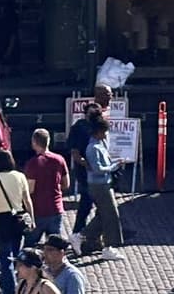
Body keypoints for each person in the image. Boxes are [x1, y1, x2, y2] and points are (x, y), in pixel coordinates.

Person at [66, 86, 115, 249]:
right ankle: (80, 235)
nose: (110, 97)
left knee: (96, 207)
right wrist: (90, 166)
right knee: (88, 205)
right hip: (88, 175)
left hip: (101, 174)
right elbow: (75, 152)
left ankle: (90, 237)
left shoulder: (100, 123)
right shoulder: (80, 127)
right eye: (107, 95)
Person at [0, 149, 35, 294]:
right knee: (15, 254)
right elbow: (27, 200)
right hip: (18, 219)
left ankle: (11, 293)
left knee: (6, 258)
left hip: (2, 219)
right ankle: (6, 283)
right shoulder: (20, 176)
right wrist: (32, 218)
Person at [79, 115, 124, 260]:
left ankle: (82, 236)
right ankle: (108, 246)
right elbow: (97, 169)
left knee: (103, 215)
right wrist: (114, 166)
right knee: (111, 216)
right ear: (98, 132)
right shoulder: (93, 148)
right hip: (99, 185)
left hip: (103, 184)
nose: (106, 135)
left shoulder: (100, 145)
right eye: (104, 132)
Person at [22, 128, 70, 241]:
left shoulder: (32, 163)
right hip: (56, 208)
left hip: (38, 211)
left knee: (30, 245)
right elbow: (66, 184)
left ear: (34, 142)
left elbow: (30, 189)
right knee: (54, 244)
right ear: (48, 141)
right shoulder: (59, 160)